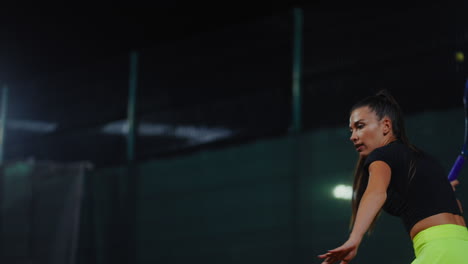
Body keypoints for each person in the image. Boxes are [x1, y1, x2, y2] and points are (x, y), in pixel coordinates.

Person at [317, 90, 468, 264]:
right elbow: (456, 208)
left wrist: (354, 239)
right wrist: (443, 191)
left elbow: (375, 193)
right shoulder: (426, 159)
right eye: (351, 130)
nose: (353, 136)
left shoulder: (382, 155)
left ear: (386, 126)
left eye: (360, 126)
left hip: (440, 251)